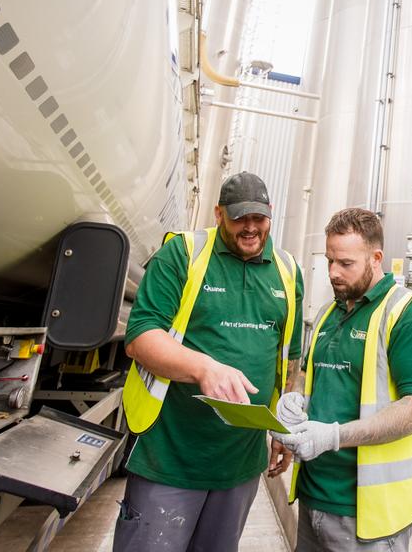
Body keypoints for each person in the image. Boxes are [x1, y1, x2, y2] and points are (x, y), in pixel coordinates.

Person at [115, 172, 304, 552]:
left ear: (271, 213)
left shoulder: (287, 272)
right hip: (170, 457)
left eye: (259, 217)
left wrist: (284, 425)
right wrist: (204, 368)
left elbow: (290, 362)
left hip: (241, 466)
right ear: (218, 214)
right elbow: (140, 339)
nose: (250, 228)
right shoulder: (183, 254)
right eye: (239, 218)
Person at [274, 207, 412, 552]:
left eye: (345, 263)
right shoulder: (330, 311)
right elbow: (307, 372)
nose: (333, 272)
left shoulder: (407, 316)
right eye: (330, 260)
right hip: (313, 494)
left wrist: (334, 436)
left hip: (368, 515)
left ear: (376, 258)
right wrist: (296, 396)